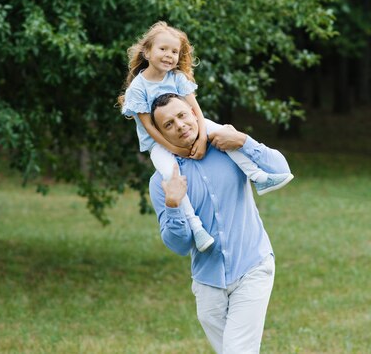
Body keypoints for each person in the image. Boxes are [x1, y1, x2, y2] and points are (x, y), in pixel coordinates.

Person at [118, 21, 293, 253]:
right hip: (158, 143)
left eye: (174, 51)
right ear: (147, 51)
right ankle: (197, 228)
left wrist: (202, 137)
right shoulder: (138, 88)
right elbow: (149, 127)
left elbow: (196, 111)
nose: (169, 55)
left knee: (225, 135)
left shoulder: (177, 77)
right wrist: (176, 148)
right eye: (163, 49)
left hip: (193, 124)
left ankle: (258, 175)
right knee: (173, 177)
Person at [147, 93, 293, 353]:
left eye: (182, 115)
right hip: (208, 284)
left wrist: (244, 140)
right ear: (160, 135)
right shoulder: (163, 181)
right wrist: (173, 205)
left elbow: (281, 170)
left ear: (194, 113)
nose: (179, 125)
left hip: (252, 267)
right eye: (168, 124)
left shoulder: (228, 149)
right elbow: (179, 245)